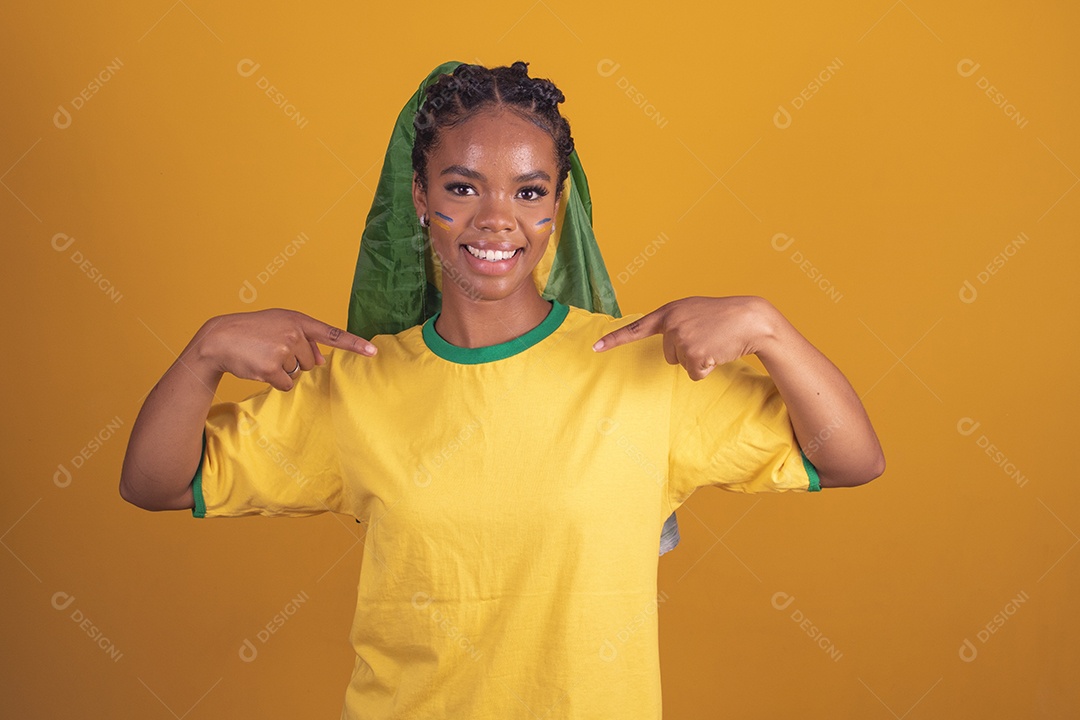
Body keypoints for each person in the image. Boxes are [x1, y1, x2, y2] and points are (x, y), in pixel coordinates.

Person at [120, 61, 884, 719]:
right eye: (463, 186)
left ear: (558, 204)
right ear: (420, 197)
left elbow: (850, 458)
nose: (496, 221)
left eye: (528, 192)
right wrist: (203, 354)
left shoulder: (642, 373)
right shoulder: (356, 384)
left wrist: (769, 328)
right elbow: (157, 483)